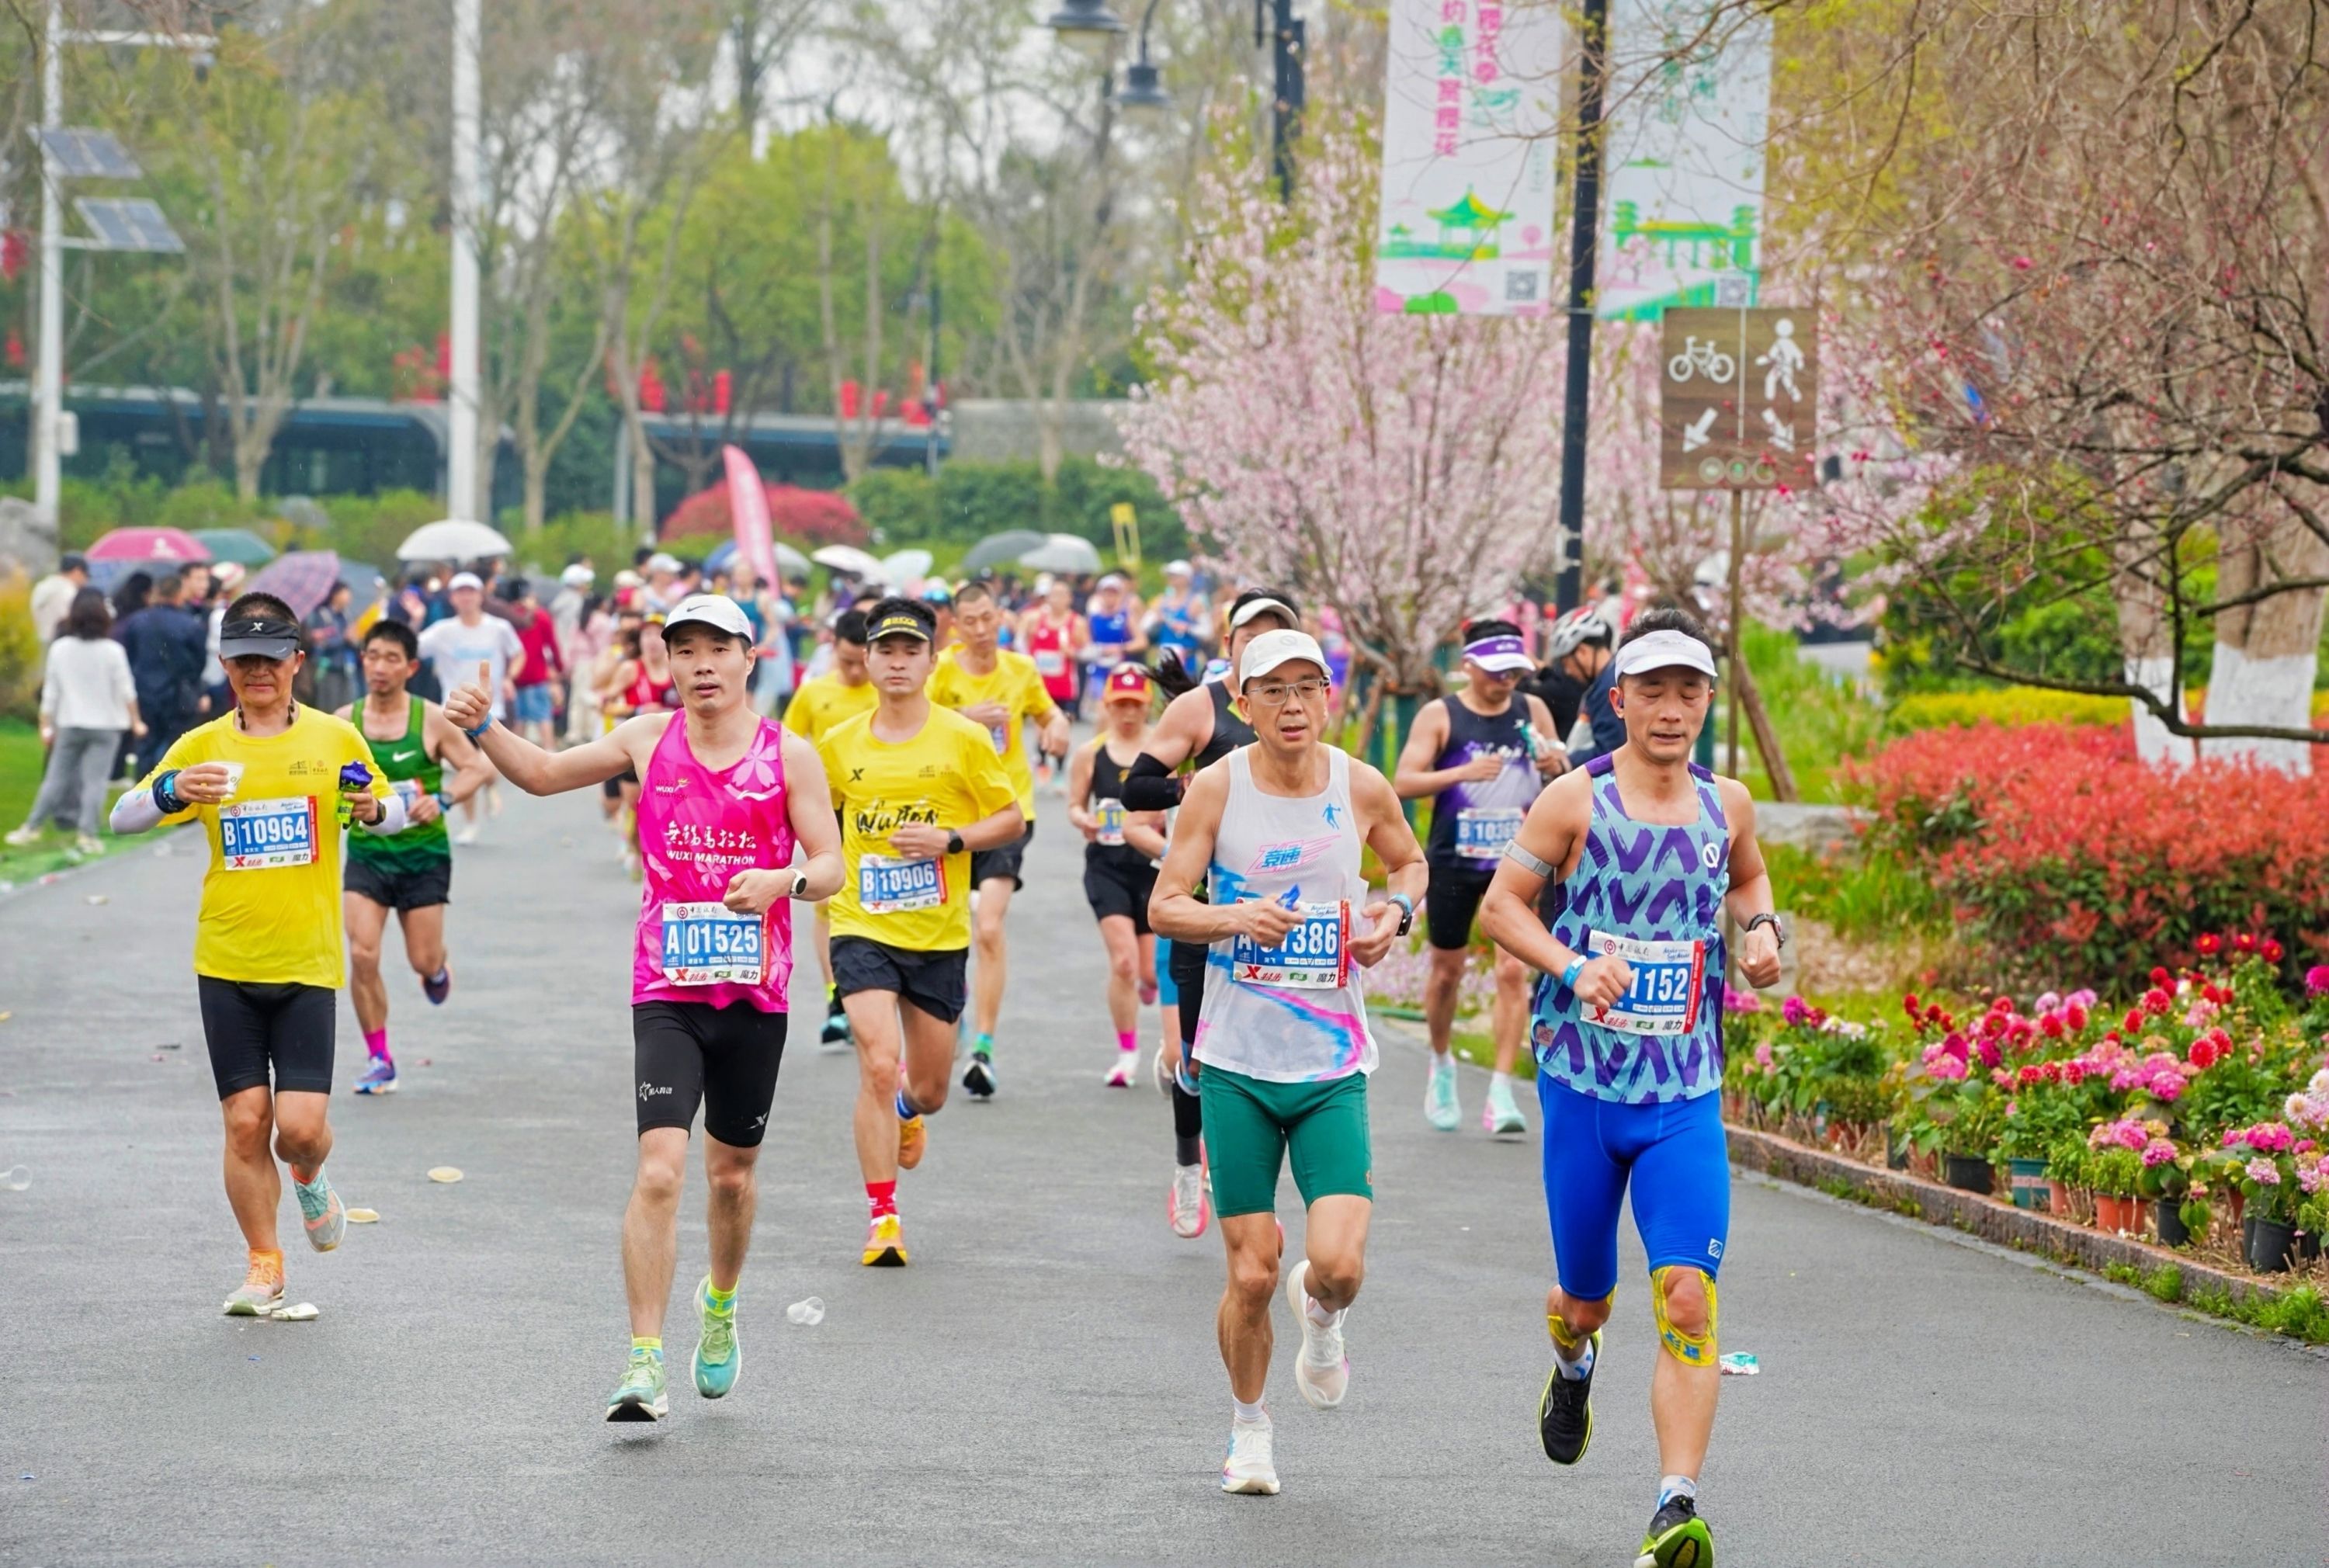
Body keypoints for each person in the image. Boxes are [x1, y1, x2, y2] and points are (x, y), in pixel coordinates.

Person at [443, 593, 844, 1422]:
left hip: (755, 993)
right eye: (684, 649)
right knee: (659, 1167)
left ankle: (720, 1303)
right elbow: (544, 775)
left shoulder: (790, 754)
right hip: (666, 988)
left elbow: (832, 864)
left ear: (749, 656)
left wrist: (784, 881)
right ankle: (644, 1362)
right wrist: (484, 727)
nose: (701, 664)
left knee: (731, 1175)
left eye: (717, 648)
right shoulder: (645, 738)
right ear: (667, 662)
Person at [1477, 605, 1784, 1568]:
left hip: (1684, 1091)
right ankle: (1573, 1364)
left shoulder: (1729, 804)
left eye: (1690, 691)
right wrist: (1572, 966)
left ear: (1708, 702)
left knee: (1687, 1296)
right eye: (1653, 691)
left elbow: (1749, 880)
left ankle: (1674, 1505)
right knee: (1587, 1301)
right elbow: (1501, 906)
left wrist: (1763, 930)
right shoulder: (1574, 800)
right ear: (1621, 699)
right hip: (1582, 1087)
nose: (1672, 709)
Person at [1149, 626, 1426, 1497]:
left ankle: (1323, 1315)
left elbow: (1409, 864)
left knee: (1338, 1267)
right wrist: (1234, 918)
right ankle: (1249, 1430)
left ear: (1328, 697)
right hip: (1237, 1062)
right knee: (1251, 1272)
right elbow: (1165, 906)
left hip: (1330, 1062)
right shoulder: (1217, 789)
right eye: (1273, 690)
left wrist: (1395, 917)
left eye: (1308, 686)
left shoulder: (1359, 784)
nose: (1293, 704)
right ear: (1243, 703)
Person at [109, 591, 403, 1315]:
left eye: (271, 660)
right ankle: (264, 1266)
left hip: (306, 964)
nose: (258, 673)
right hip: (227, 961)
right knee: (245, 1123)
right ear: (224, 664)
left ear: (297, 661)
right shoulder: (202, 746)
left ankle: (309, 1175)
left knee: (298, 1131)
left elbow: (391, 810)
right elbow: (120, 818)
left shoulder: (335, 738)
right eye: (243, 660)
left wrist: (372, 808)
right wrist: (172, 790)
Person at [817, 598, 1022, 1267]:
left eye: (912, 651)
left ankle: (908, 1109)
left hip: (937, 936)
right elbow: (810, 818)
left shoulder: (962, 738)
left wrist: (950, 839)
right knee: (878, 1064)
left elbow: (1010, 819)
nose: (898, 662)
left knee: (930, 1090)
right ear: (868, 659)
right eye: (887, 650)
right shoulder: (839, 744)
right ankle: (883, 1217)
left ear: (933, 661)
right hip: (861, 926)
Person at [1117, 588, 1300, 1239]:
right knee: (1198, 1058)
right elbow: (1134, 789)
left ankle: (1249, 1190)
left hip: (1277, 910)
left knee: (1270, 1057)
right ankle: (1187, 1167)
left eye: (1274, 635)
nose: (1260, 647)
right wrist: (1188, 785)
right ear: (1229, 644)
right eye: (1249, 636)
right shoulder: (1201, 706)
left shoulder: (1301, 707)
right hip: (1205, 911)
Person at [1392, 619, 1565, 1136]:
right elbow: (1403, 780)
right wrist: (1461, 773)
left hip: (1517, 864)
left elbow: (1561, 772)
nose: (1506, 680)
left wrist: (1555, 762)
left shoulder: (1531, 710)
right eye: (1496, 671)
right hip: (1454, 861)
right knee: (1447, 972)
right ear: (1468, 666)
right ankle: (1442, 1062)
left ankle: (1501, 1090)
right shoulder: (1441, 715)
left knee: (1513, 970)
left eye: (1514, 671)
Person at [336, 620, 494, 1096]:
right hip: (368, 855)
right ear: (362, 661)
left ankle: (437, 969)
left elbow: (477, 766)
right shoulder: (343, 722)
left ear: (410, 668)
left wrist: (443, 799)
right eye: (372, 656)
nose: (379, 667)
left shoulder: (431, 719)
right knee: (362, 953)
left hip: (423, 856)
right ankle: (379, 1058)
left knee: (421, 961)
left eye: (391, 658)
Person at [925, 579, 1070, 1098]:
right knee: (948, 931)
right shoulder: (941, 670)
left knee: (988, 926)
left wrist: (1057, 726)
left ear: (1001, 618)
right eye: (971, 621)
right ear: (955, 626)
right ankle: (959, 1013)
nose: (982, 629)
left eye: (989, 618)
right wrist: (965, 718)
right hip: (950, 818)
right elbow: (913, 719)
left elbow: (1048, 711)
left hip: (1009, 815)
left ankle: (983, 1047)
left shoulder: (1021, 669)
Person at [1067, 664, 1168, 1088]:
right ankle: (1127, 1053)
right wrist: (1083, 820)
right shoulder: (1090, 753)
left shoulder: (1163, 750)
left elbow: (1180, 800)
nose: (1128, 713)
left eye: (1136, 705)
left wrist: (1158, 819)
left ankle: (1148, 985)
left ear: (1147, 707)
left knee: (1150, 973)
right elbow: (1075, 804)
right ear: (1107, 706)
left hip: (1151, 869)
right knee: (1124, 963)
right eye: (1120, 705)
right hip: (1106, 867)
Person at [781, 608, 877, 1048]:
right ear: (833, 649)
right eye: (847, 661)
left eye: (862, 662)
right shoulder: (814, 693)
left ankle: (875, 993)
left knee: (869, 900)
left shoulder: (886, 693)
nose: (856, 671)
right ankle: (835, 996)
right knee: (824, 903)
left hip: (876, 809)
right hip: (826, 810)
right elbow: (784, 744)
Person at [9, 588, 141, 852]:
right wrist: (136, 721)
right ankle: (87, 835)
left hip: (70, 722)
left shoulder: (61, 649)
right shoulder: (113, 651)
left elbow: (51, 692)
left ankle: (32, 827)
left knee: (56, 779)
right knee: (95, 782)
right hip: (106, 726)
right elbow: (126, 690)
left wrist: (45, 724)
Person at [417, 572, 526, 842]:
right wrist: (417, 618)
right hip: (456, 710)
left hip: (492, 707)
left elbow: (519, 653)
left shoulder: (498, 628)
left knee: (488, 763)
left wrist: (510, 678)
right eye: (460, 592)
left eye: (471, 592)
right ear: (452, 598)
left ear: (481, 596)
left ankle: (489, 783)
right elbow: (413, 649)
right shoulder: (442, 631)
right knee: (466, 768)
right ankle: (470, 823)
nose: (466, 597)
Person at [116, 569, 210, 777]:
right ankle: (171, 784)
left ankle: (143, 784)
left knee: (146, 744)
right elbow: (199, 661)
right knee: (176, 745)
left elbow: (127, 656)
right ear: (179, 593)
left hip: (144, 691)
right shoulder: (190, 624)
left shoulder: (136, 621)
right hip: (178, 693)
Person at [1545, 608, 1621, 765]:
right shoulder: (1606, 680)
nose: (1567, 671)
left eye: (1566, 663)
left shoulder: (1610, 687)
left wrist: (1565, 762)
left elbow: (1610, 751)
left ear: (1582, 652)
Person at [1019, 578, 1086, 753]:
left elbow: (1087, 651)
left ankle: (1060, 763)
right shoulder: (1034, 619)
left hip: (1065, 686)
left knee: (1063, 727)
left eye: (1061, 595)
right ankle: (1041, 761)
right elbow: (1020, 643)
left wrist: (1071, 652)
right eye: (1053, 595)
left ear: (1069, 598)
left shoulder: (1077, 622)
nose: (1057, 599)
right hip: (1041, 684)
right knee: (1042, 726)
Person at [508, 578, 567, 749]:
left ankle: (516, 755)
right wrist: (559, 667)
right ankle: (550, 751)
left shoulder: (509, 617)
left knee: (519, 720)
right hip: (537, 675)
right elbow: (552, 644)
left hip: (514, 677)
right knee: (543, 717)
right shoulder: (540, 616)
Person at [304, 582, 358, 715]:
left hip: (345, 667)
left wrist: (353, 639)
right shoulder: (321, 615)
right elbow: (320, 643)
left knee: (346, 707)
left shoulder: (347, 615)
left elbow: (353, 641)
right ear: (335, 595)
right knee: (327, 707)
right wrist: (343, 638)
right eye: (345, 593)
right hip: (327, 668)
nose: (348, 597)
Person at [1150, 560, 1210, 666]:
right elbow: (1144, 626)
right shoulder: (1161, 601)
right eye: (1169, 575)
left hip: (1187, 660)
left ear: (1186, 578)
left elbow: (1207, 632)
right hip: (1165, 659)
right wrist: (1156, 620)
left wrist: (1188, 628)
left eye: (1175, 576)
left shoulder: (1196, 602)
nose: (1171, 578)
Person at [30, 552, 88, 642]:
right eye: (85, 576)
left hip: (38, 641)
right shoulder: (70, 592)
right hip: (59, 642)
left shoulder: (41, 586)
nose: (86, 581)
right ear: (77, 572)